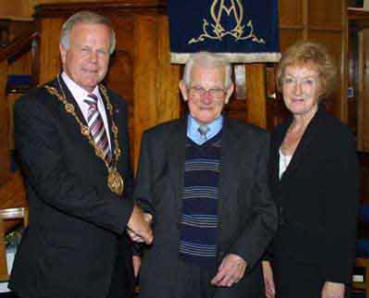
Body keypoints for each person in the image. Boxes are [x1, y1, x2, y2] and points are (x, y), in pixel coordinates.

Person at [9, 11, 153, 298]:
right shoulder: (35, 107)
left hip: (115, 271)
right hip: (60, 274)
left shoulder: (116, 104)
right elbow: (54, 184)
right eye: (85, 49)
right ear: (64, 52)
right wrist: (126, 215)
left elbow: (121, 178)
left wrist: (134, 247)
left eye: (102, 51)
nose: (94, 59)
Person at [134, 51, 277, 298]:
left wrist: (243, 254)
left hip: (230, 278)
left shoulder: (257, 142)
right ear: (184, 89)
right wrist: (135, 247)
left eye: (216, 90)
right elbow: (143, 203)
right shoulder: (155, 140)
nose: (207, 98)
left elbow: (267, 210)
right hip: (168, 279)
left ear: (230, 92)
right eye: (198, 88)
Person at [262, 41, 359, 298]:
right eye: (290, 80)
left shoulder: (336, 137)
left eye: (308, 81)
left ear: (321, 87)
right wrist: (265, 261)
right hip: (282, 263)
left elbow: (343, 215)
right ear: (280, 85)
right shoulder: (277, 135)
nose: (297, 90)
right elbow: (268, 203)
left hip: (320, 269)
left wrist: (336, 279)